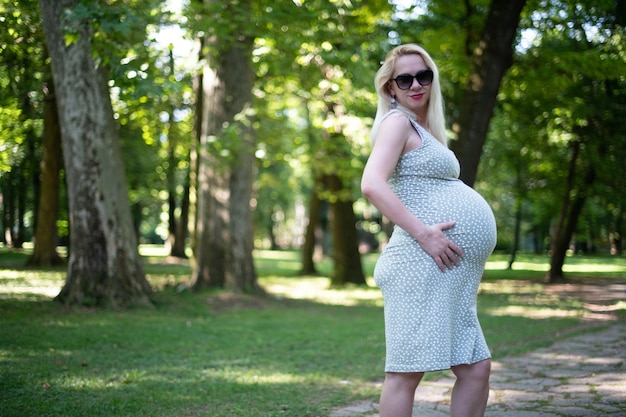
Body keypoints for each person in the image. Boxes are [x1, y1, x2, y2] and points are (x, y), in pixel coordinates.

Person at [360, 44, 497, 417]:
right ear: (390, 87)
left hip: (446, 272)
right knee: (405, 374)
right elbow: (372, 183)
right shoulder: (397, 122)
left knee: (476, 368)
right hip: (419, 264)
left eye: (424, 75)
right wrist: (424, 233)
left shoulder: (423, 129)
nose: (416, 84)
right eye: (404, 78)